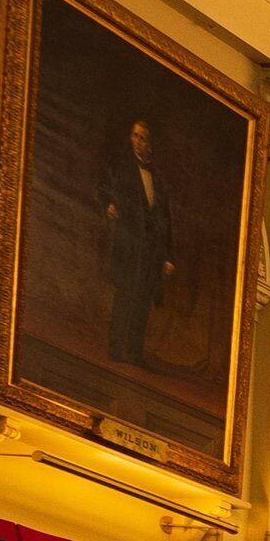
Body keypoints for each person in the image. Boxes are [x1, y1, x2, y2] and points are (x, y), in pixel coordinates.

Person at [103, 117, 174, 368]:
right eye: (134, 135)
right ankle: (117, 348)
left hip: (151, 251)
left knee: (142, 301)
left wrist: (168, 256)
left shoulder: (158, 178)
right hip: (130, 244)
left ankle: (134, 352)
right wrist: (111, 205)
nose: (136, 141)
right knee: (125, 297)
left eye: (141, 138)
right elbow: (109, 190)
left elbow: (165, 218)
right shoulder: (123, 167)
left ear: (150, 145)